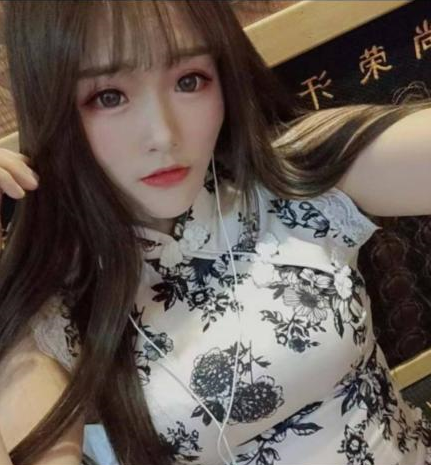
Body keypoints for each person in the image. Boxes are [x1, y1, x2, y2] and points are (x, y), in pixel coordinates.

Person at [0, 1, 430, 465]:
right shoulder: (50, 309)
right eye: (109, 97)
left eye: (190, 80)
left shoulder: (287, 174)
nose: (163, 135)